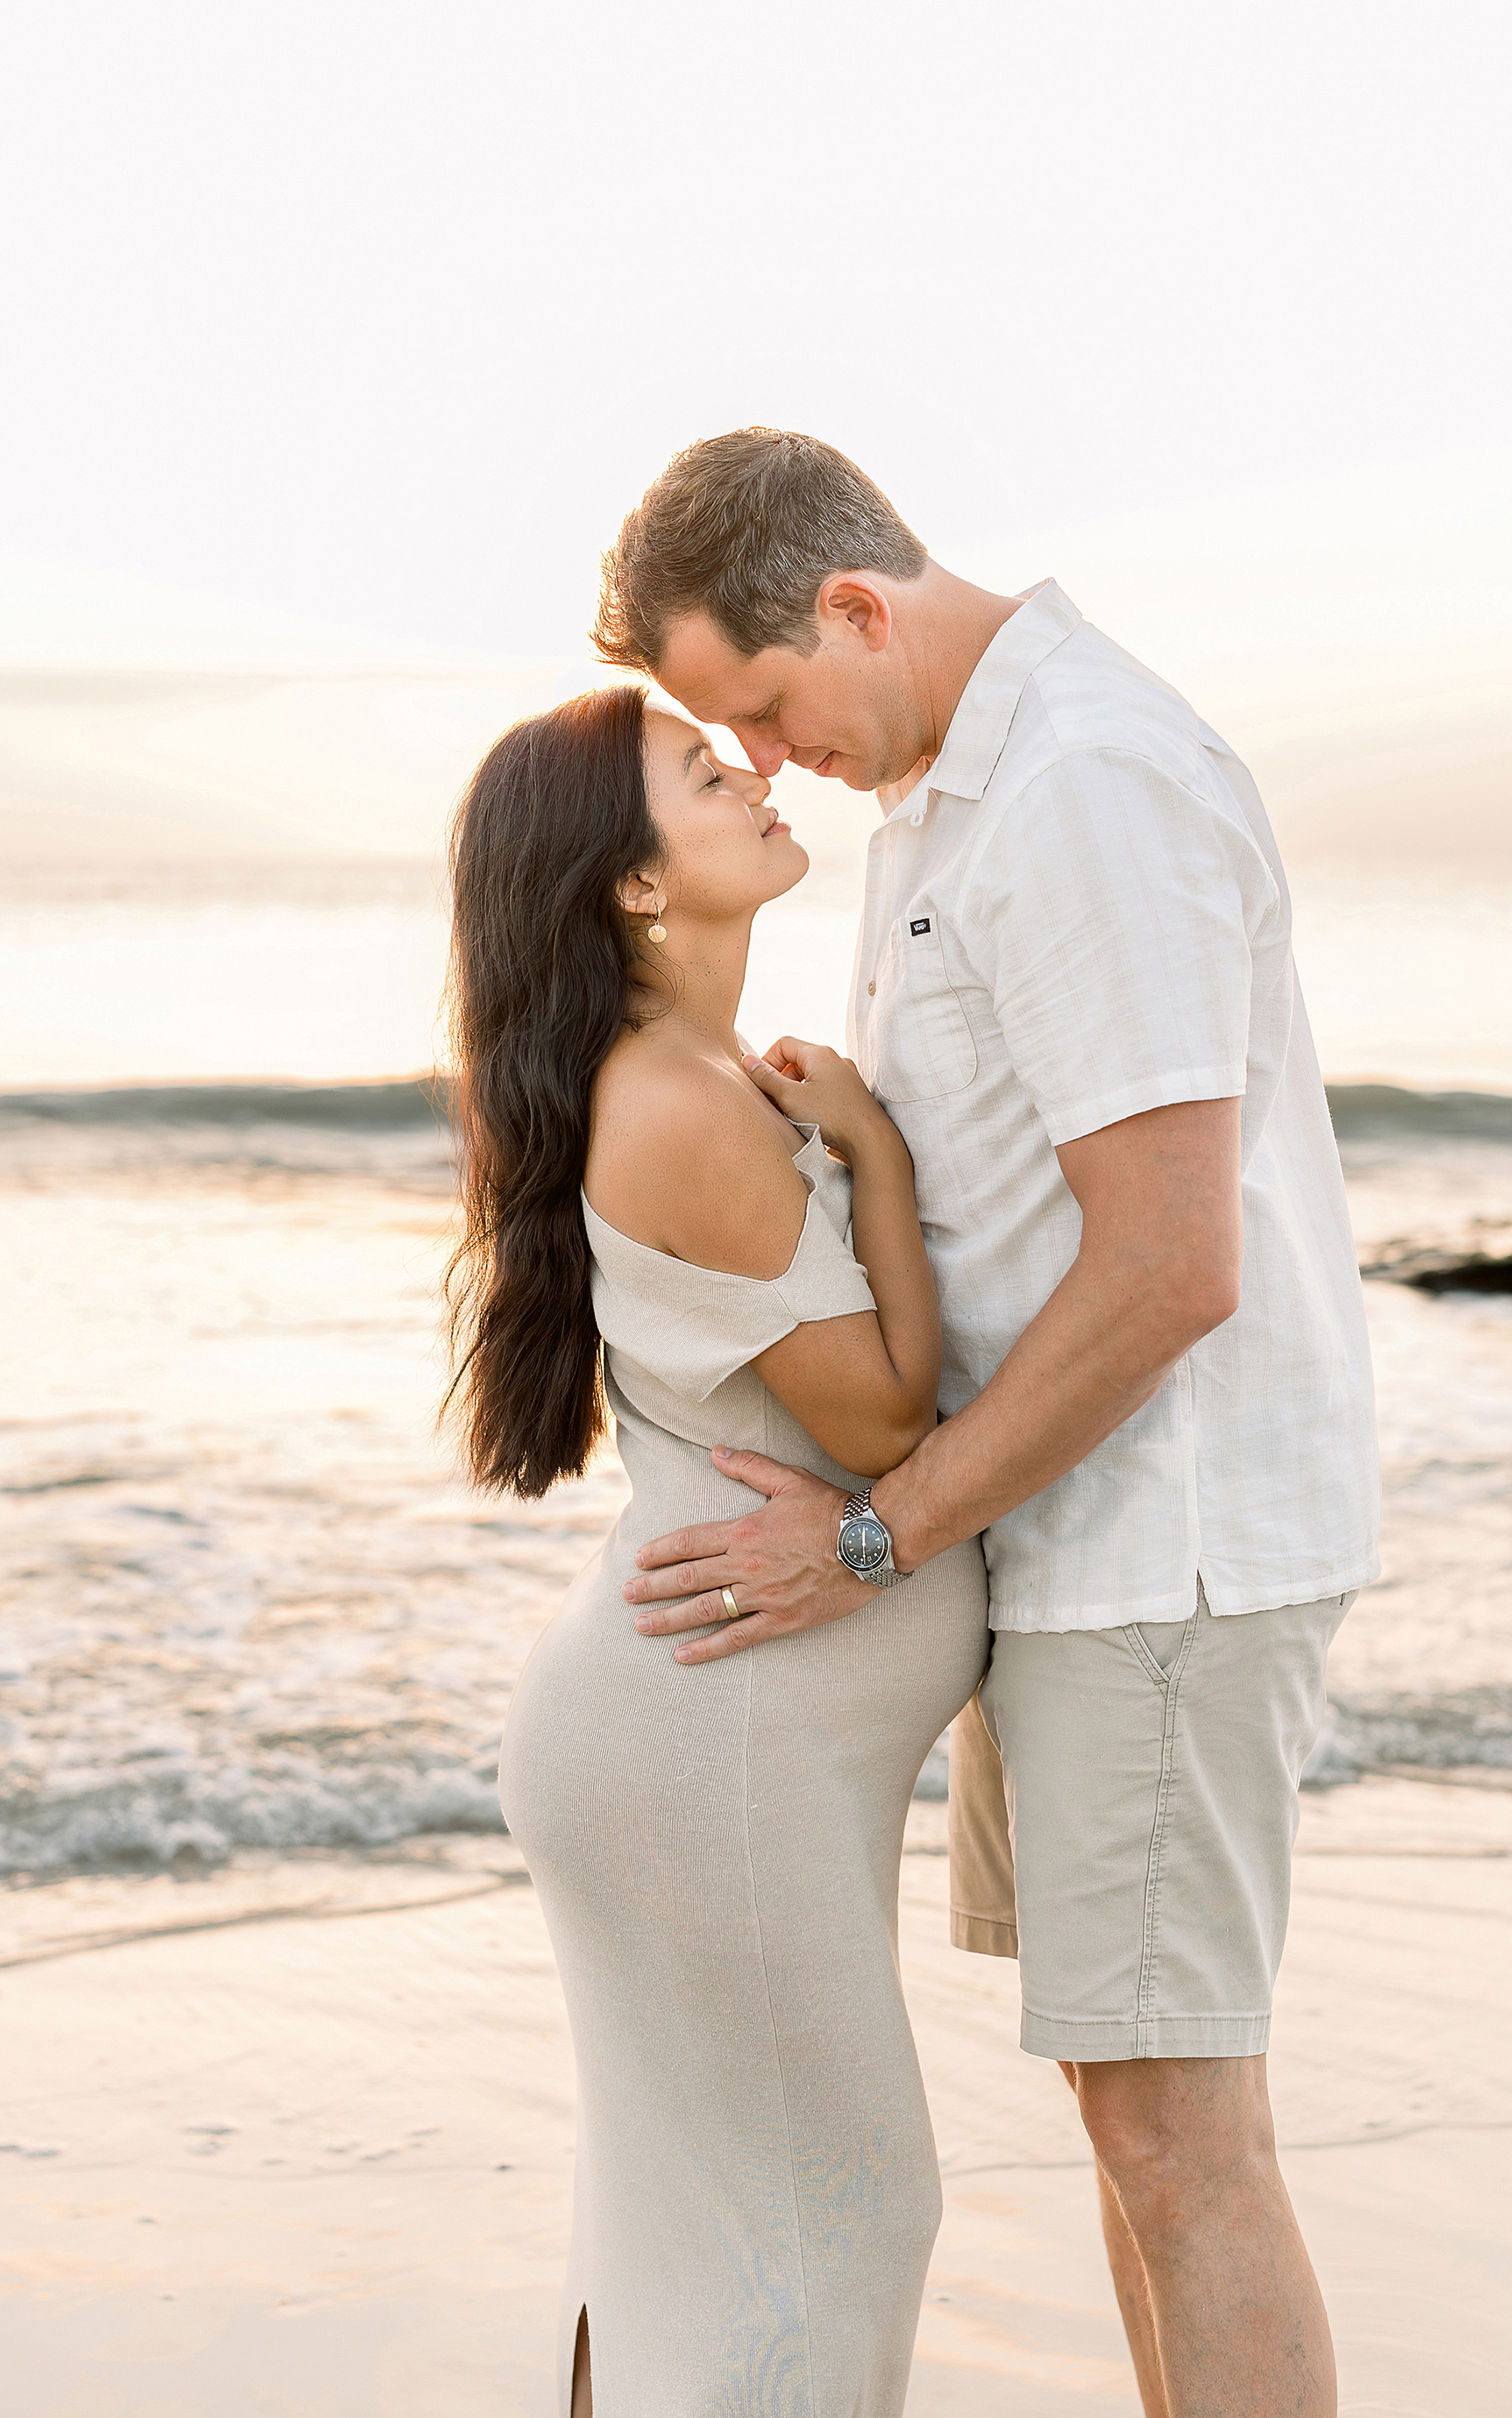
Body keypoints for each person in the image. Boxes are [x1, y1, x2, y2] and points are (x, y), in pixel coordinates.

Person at [596, 429, 1382, 2418]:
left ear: (858, 606)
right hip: (1069, 1549)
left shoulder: (1086, 786)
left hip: (1162, 1558)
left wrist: (870, 1537)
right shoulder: (942, 802)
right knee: (1139, 2132)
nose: (765, 757)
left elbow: (1171, 1266)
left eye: (764, 704)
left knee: (1183, 2142)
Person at [444, 683, 988, 2418]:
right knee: (823, 2231)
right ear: (627, 886)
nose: (751, 770)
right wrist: (879, 1157)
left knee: (706, 2245)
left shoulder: (687, 1082)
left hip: (710, 1744)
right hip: (706, 1752)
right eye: (701, 770)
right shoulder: (680, 1099)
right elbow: (889, 1426)